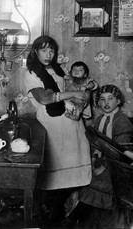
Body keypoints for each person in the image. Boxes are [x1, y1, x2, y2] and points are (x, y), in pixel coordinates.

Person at [23, 35, 92, 227]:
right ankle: (51, 217)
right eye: (44, 50)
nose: (48, 54)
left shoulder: (58, 70)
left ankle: (62, 215)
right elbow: (45, 99)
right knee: (54, 176)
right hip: (53, 126)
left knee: (76, 175)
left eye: (51, 50)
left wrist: (82, 94)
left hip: (72, 124)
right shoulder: (31, 73)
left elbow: (77, 87)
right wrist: (74, 93)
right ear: (35, 51)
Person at [65, 84, 133, 228]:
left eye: (110, 99)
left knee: (94, 184)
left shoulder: (122, 122)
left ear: (118, 101)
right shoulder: (100, 119)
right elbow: (96, 145)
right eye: (102, 99)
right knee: (83, 177)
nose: (106, 103)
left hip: (119, 168)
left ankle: (73, 220)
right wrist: (94, 159)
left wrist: (102, 167)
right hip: (104, 162)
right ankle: (77, 219)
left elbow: (120, 154)